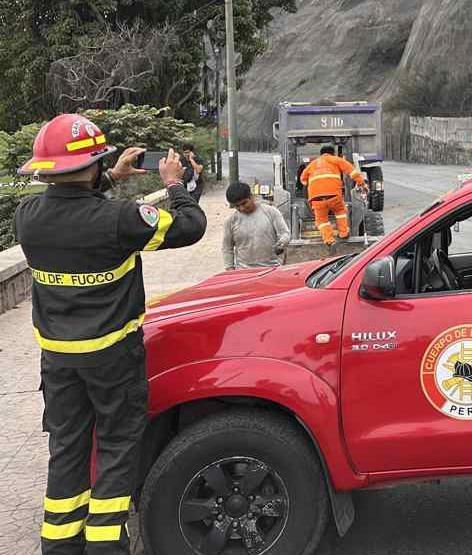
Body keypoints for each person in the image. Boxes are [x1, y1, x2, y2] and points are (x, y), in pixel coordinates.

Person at [15, 114, 207, 555]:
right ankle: (105, 544)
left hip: (57, 361)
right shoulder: (120, 219)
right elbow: (190, 226)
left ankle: (60, 544)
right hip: (112, 359)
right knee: (119, 446)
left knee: (68, 449)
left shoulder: (28, 218)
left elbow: (73, 209)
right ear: (97, 163)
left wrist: (107, 177)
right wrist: (176, 184)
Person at [299, 145, 365, 245]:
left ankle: (328, 239)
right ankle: (343, 233)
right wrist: (361, 183)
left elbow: (303, 179)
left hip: (316, 199)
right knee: (340, 212)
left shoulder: (312, 164)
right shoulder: (336, 160)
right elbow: (352, 171)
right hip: (333, 196)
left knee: (321, 220)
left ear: (321, 154)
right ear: (333, 153)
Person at [222, 181, 291, 270]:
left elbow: (285, 233)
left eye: (244, 203)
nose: (241, 208)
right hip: (244, 271)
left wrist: (283, 241)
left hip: (272, 268)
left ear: (251, 197)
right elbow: (227, 248)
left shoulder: (271, 212)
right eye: (237, 206)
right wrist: (230, 270)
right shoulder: (231, 221)